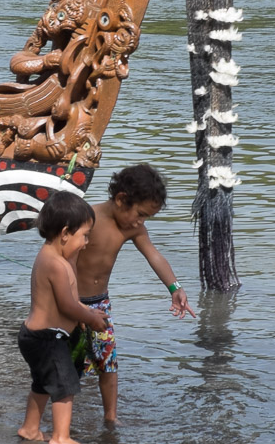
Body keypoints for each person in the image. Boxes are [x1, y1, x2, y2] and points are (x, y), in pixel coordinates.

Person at [73, 162, 197, 426]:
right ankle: (61, 418)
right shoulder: (87, 220)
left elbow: (153, 255)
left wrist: (175, 288)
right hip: (71, 304)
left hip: (100, 304)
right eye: (140, 214)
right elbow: (64, 261)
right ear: (121, 200)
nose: (140, 222)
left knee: (107, 362)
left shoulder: (132, 228)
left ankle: (111, 417)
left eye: (146, 218)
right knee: (69, 364)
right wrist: (70, 303)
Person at [17, 190, 109, 444]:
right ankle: (61, 437)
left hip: (36, 337)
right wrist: (90, 317)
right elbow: (66, 305)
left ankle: (30, 429)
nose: (87, 242)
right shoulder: (55, 264)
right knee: (64, 387)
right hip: (48, 338)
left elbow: (68, 299)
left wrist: (84, 310)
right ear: (66, 232)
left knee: (41, 384)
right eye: (85, 235)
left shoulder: (55, 258)